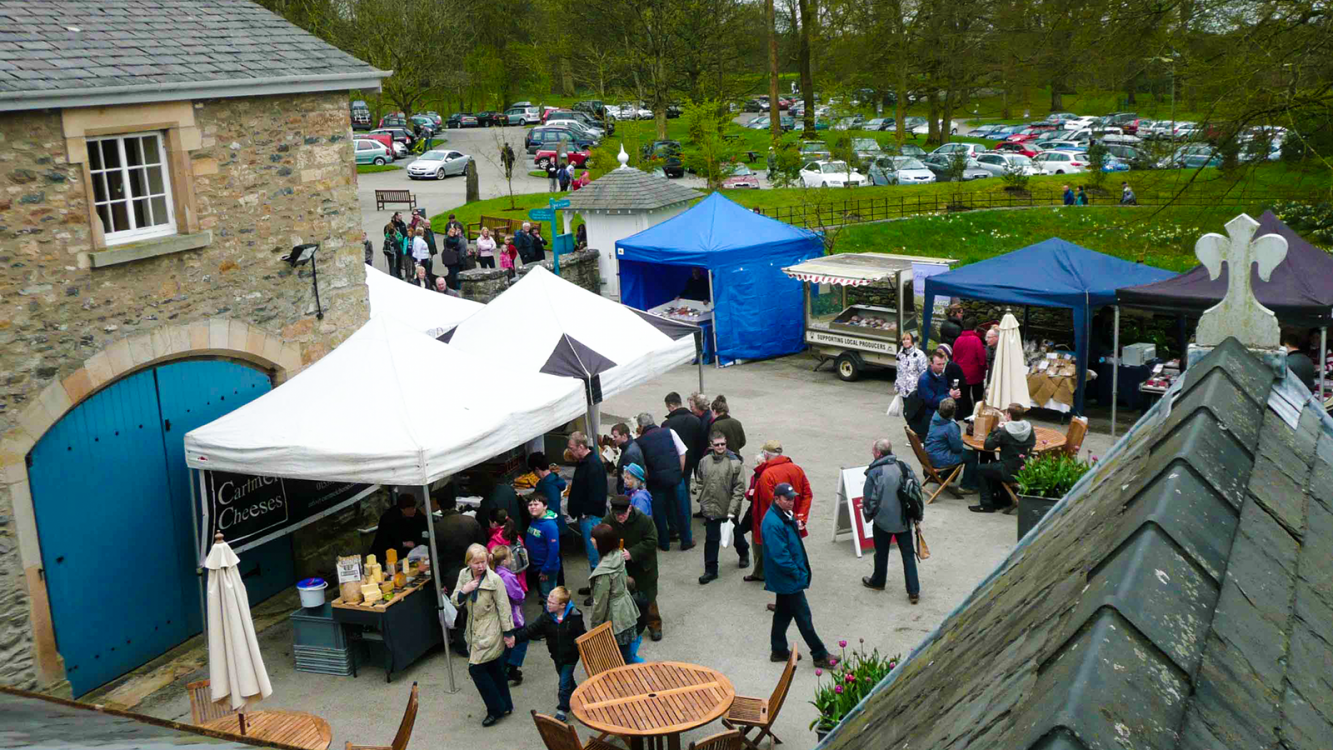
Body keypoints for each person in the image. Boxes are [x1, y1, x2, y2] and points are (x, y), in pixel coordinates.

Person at [762, 483, 835, 668]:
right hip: (787, 578)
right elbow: (781, 556)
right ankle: (819, 654)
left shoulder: (783, 516)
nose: (792, 502)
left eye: (792, 498)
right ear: (777, 499)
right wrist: (797, 573)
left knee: (783, 613)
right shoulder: (772, 523)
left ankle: (778, 650)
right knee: (803, 616)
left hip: (786, 577)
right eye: (787, 499)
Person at [450, 544, 516, 727]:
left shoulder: (495, 580)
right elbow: (455, 600)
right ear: (468, 563)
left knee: (476, 669)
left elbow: (504, 608)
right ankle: (506, 704)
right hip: (473, 628)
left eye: (483, 562)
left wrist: (508, 633)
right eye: (476, 563)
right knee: (493, 666)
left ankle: (495, 709)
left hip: (490, 630)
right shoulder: (464, 575)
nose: (480, 566)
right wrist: (465, 590)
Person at [510, 586, 586, 723]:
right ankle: (580, 697)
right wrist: (515, 639)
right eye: (548, 601)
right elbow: (531, 630)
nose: (547, 604)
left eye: (551, 603)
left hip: (570, 657)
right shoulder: (546, 617)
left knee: (563, 683)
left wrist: (585, 651)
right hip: (556, 656)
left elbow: (582, 636)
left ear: (562, 605)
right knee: (568, 681)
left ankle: (562, 709)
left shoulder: (575, 616)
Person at [859, 439, 921, 603]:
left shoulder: (875, 472)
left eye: (873, 451)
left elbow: (869, 499)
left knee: (881, 553)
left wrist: (869, 515)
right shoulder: (903, 466)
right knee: (908, 555)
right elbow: (916, 490)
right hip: (904, 520)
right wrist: (917, 516)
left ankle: (878, 581)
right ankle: (913, 591)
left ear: (878, 453)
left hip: (883, 520)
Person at [745, 441, 811, 594]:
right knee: (792, 553)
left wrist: (791, 519)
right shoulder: (796, 469)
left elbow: (772, 503)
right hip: (792, 522)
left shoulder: (767, 474)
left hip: (775, 524)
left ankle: (783, 593)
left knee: (778, 557)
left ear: (766, 455)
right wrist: (800, 517)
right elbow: (807, 494)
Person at [605, 495, 661, 641]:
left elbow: (652, 541)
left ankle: (654, 625)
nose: (620, 518)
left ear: (630, 508)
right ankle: (631, 627)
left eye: (623, 514)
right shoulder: (609, 521)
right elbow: (603, 538)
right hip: (622, 568)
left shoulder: (644, 521)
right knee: (624, 599)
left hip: (644, 568)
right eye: (617, 515)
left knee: (648, 598)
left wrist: (632, 553)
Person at [695, 430, 746, 584]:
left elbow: (739, 489)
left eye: (723, 444)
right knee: (711, 540)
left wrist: (732, 509)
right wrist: (701, 499)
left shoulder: (734, 463)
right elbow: (699, 481)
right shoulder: (704, 461)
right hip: (710, 509)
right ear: (711, 445)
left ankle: (743, 553)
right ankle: (710, 570)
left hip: (728, 510)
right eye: (717, 444)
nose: (721, 447)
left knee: (736, 534)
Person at [635, 413, 689, 551]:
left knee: (659, 513)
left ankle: (664, 542)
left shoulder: (640, 442)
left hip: (657, 482)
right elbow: (682, 452)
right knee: (682, 510)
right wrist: (679, 472)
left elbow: (643, 466)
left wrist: (649, 476)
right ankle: (686, 540)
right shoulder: (669, 432)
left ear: (640, 426)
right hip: (676, 478)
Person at [587, 522, 641, 660]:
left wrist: (595, 628)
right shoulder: (618, 555)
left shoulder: (603, 571)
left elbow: (600, 603)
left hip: (614, 618)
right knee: (627, 653)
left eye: (593, 538)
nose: (591, 540)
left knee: (620, 658)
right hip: (626, 611)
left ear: (601, 542)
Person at [970, 403, 1036, 513]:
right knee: (994, 464)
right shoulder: (1029, 429)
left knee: (980, 469)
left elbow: (988, 446)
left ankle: (986, 504)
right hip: (1025, 468)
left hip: (1008, 470)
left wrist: (995, 430)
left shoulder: (1004, 431)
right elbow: (1032, 444)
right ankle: (1002, 499)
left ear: (1008, 415)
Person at [565, 431, 608, 595]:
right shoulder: (586, 462)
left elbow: (597, 494)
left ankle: (598, 592)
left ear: (581, 446)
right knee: (592, 556)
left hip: (590, 517)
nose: (570, 452)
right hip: (587, 516)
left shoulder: (593, 465)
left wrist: (584, 511)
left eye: (572, 448)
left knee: (594, 556)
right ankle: (594, 586)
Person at [663, 391, 701, 542]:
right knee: (685, 493)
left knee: (673, 497)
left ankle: (675, 527)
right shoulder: (695, 420)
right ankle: (687, 525)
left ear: (672, 406)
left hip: (674, 465)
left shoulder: (667, 425)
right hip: (691, 462)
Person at [489, 545, 528, 685]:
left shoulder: (492, 573)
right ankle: (511, 668)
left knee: (505, 643)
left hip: (497, 616)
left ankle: (503, 669)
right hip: (513, 616)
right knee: (522, 638)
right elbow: (518, 596)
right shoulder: (508, 576)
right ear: (505, 560)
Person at [524, 487, 562, 598]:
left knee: (549, 598)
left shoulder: (549, 525)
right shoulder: (535, 519)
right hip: (536, 566)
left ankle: (551, 615)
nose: (532, 507)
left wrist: (545, 570)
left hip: (546, 569)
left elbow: (554, 550)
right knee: (544, 594)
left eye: (536, 504)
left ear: (545, 506)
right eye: (530, 505)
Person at [368, 493, 427, 563]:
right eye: (410, 509)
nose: (414, 511)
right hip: (385, 555)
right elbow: (385, 541)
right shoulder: (388, 519)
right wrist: (404, 544)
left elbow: (425, 526)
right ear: (402, 509)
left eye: (414, 508)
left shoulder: (416, 514)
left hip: (409, 554)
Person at [912, 351, 959, 437]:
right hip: (928, 416)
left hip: (940, 414)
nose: (941, 367)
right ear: (931, 364)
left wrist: (953, 393)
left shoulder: (941, 375)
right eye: (938, 364)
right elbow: (931, 401)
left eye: (943, 364)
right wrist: (949, 395)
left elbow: (944, 390)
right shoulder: (924, 380)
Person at [952, 318, 988, 418]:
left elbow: (954, 356)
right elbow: (981, 357)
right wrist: (984, 367)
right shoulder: (976, 340)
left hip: (961, 373)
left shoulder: (958, 339)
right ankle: (977, 415)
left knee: (965, 396)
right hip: (976, 374)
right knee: (977, 396)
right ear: (975, 328)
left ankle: (966, 415)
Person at [925, 398, 965, 470]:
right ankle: (967, 481)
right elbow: (957, 448)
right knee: (971, 456)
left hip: (929, 455)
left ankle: (948, 476)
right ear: (953, 412)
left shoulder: (934, 419)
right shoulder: (951, 426)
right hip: (940, 459)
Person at [611, 422, 645, 494]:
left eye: (615, 437)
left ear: (624, 436)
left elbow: (630, 479)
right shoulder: (629, 447)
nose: (613, 439)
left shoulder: (630, 453)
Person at [894, 332, 929, 400]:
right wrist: (897, 384)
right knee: (905, 409)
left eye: (908, 339)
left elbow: (923, 372)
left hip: (914, 390)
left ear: (912, 341)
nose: (905, 341)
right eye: (903, 339)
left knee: (911, 409)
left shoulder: (919, 354)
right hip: (903, 390)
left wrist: (919, 386)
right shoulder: (900, 354)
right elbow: (899, 371)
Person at [441, 226, 465, 290]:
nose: (453, 233)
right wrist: (457, 236)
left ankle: (454, 285)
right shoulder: (448, 238)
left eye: (453, 232)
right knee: (452, 273)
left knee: (454, 272)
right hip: (451, 258)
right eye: (451, 232)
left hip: (454, 258)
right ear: (449, 232)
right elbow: (454, 242)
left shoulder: (451, 238)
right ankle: (453, 286)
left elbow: (456, 245)